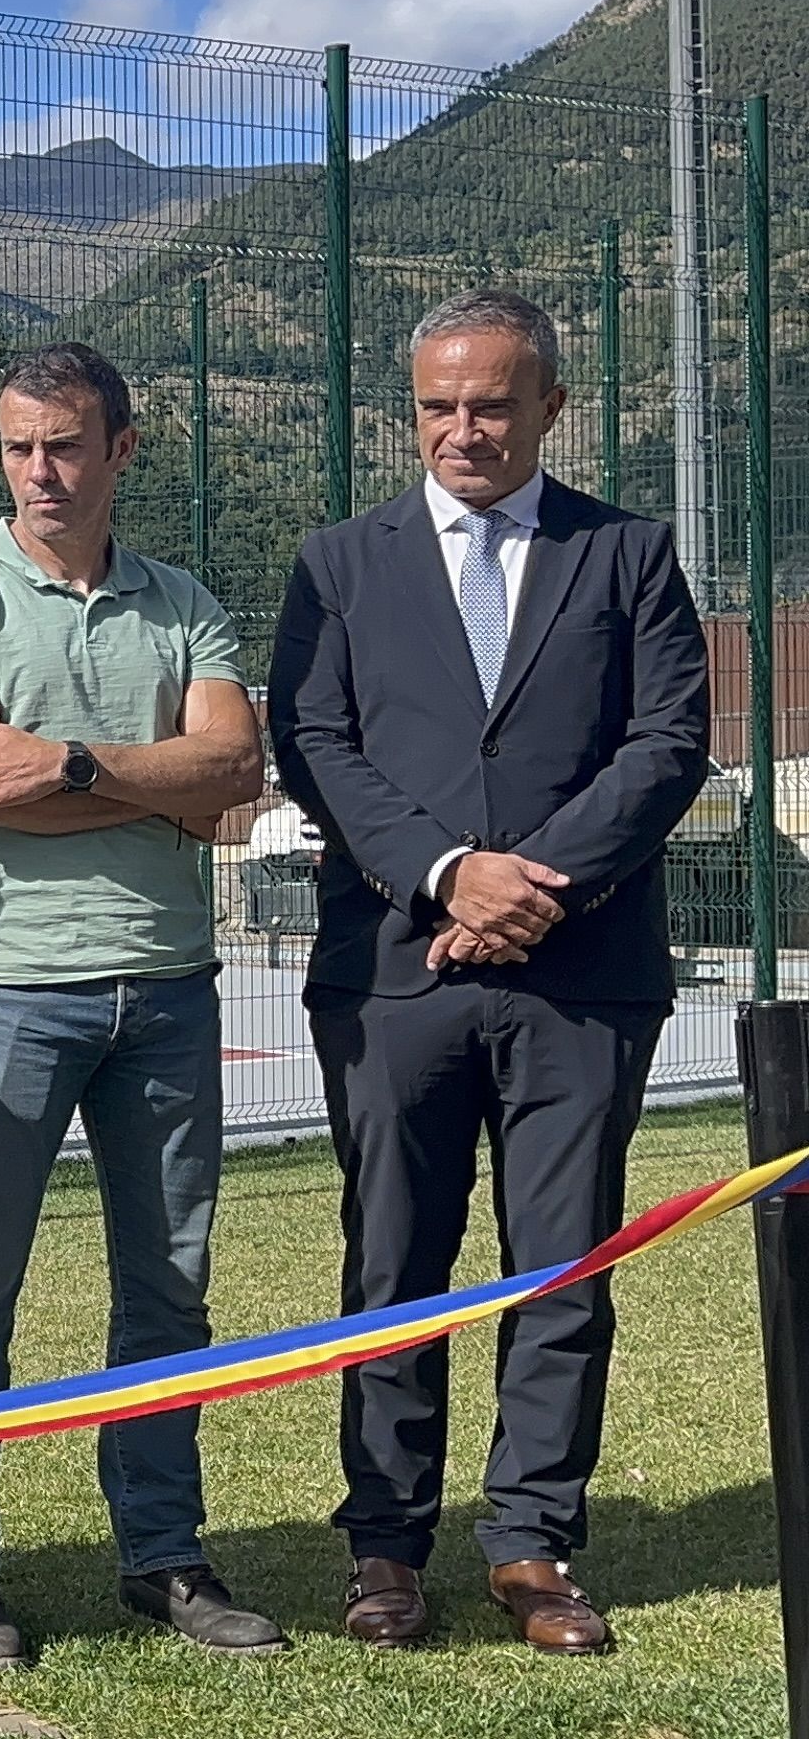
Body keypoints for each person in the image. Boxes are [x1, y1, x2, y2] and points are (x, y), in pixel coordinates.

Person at [270, 288, 708, 1655]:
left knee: (561, 1267)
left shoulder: (627, 555)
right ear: (414, 413)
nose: (464, 429)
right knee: (393, 1263)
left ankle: (531, 1542)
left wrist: (533, 886)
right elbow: (316, 745)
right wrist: (453, 876)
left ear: (551, 409)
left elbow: (667, 743)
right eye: (439, 406)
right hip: (396, 974)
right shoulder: (339, 563)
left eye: (493, 404)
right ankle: (385, 1549)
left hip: (582, 981)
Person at [0, 343, 277, 1666]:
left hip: (168, 989)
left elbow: (238, 768)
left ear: (122, 449)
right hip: (8, 993)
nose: (40, 472)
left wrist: (59, 763)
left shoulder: (183, 604)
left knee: (169, 1292)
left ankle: (164, 1559)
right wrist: (155, 784)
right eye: (17, 447)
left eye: (64, 445)